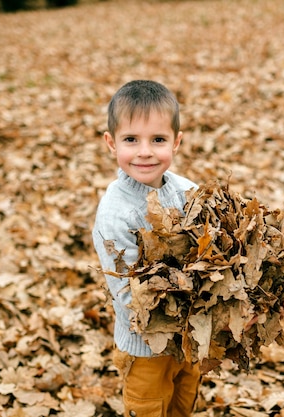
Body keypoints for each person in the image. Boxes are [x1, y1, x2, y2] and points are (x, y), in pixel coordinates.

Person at [92, 80, 201, 417]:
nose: (144, 151)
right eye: (130, 140)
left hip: (189, 339)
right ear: (111, 143)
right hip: (146, 347)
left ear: (176, 142)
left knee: (184, 400)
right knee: (150, 407)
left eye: (157, 139)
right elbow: (129, 296)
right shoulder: (115, 215)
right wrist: (196, 302)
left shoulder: (187, 192)